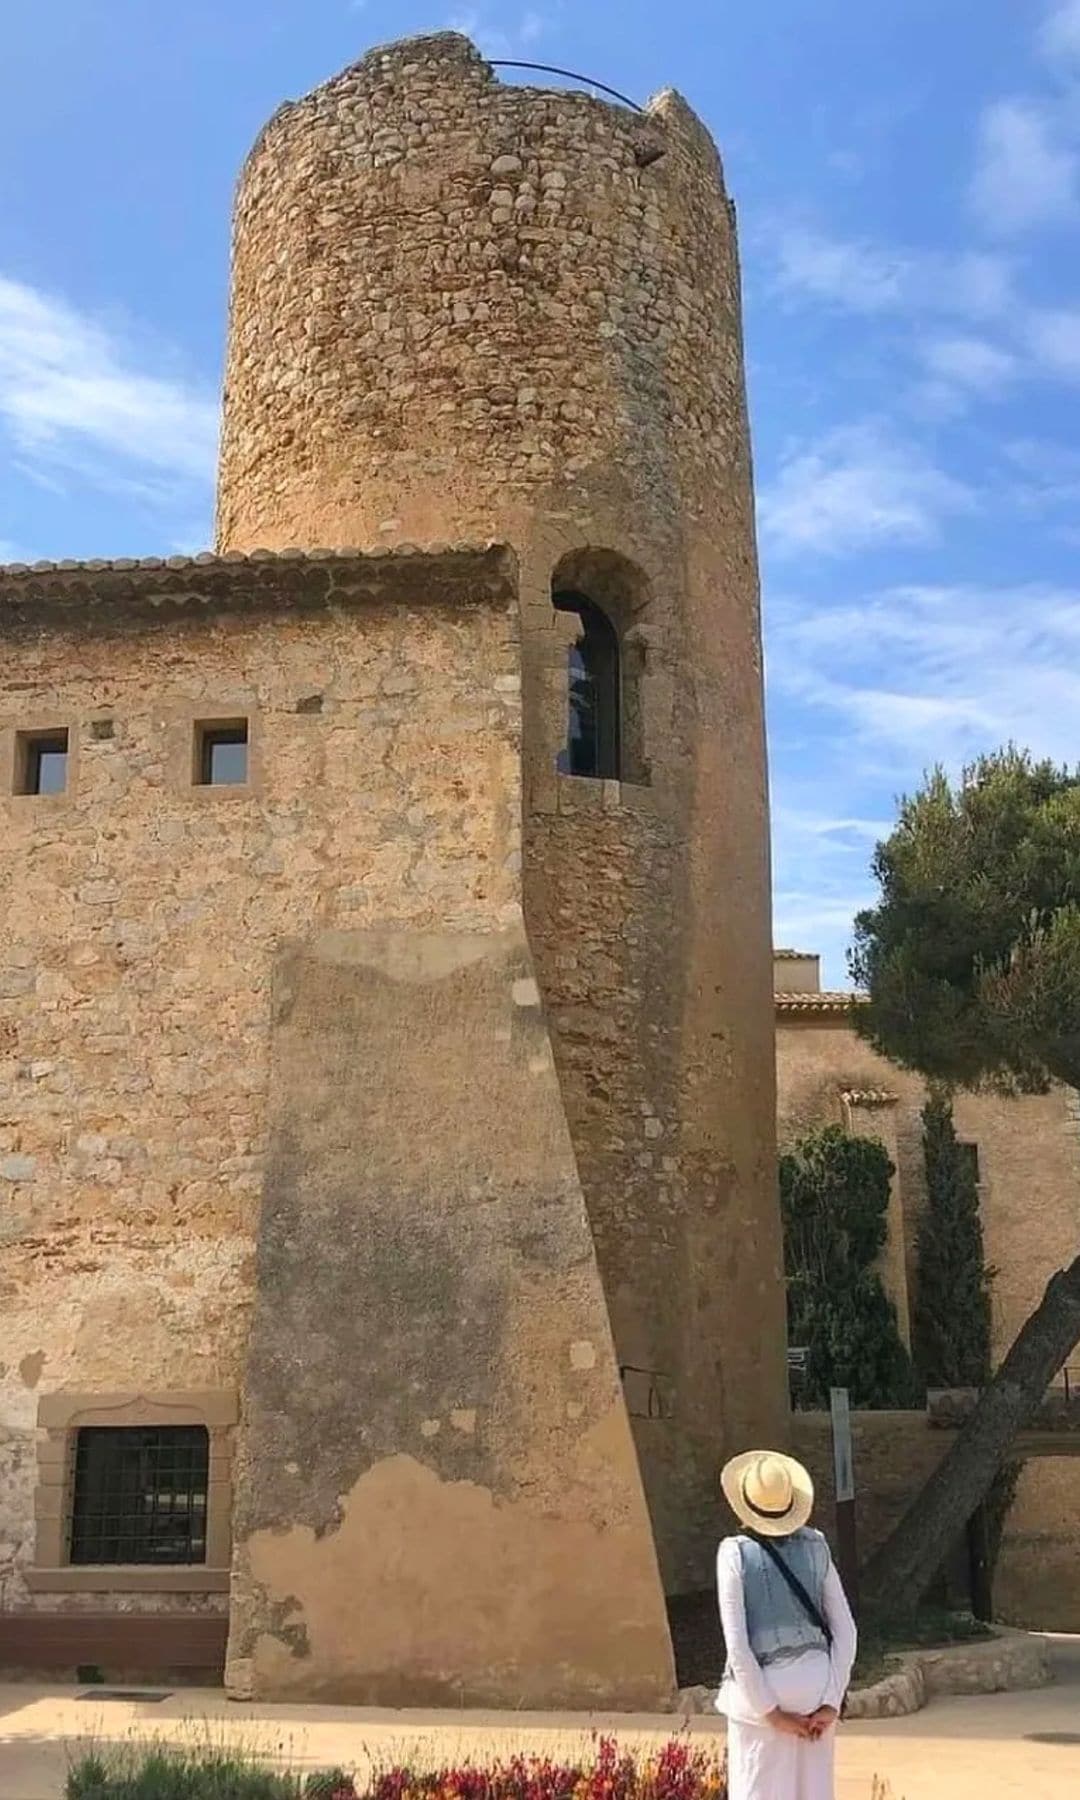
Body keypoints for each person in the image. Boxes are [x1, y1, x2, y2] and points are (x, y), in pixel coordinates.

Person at [715, 1450, 857, 1800]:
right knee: (814, 1791)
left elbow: (738, 1646)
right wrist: (830, 1701)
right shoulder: (816, 1545)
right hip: (816, 1685)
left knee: (758, 1789)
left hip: (764, 1690)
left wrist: (771, 1713)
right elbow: (846, 1631)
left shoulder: (734, 1553)